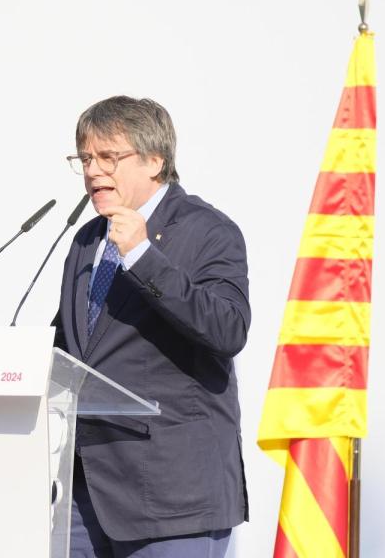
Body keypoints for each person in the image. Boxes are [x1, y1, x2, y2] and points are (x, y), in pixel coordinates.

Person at [52, 95, 251, 558]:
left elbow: (228, 328)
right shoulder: (86, 240)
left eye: (108, 157)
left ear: (155, 160)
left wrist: (143, 258)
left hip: (172, 498)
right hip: (85, 496)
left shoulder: (208, 231)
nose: (93, 171)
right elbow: (72, 347)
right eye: (84, 158)